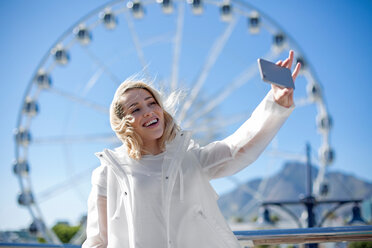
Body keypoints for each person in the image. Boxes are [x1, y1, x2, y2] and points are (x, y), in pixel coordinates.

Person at [82, 50, 301, 248]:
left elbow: (237, 148)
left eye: (152, 103)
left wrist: (275, 103)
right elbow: (98, 241)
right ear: (123, 123)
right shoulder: (108, 172)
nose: (148, 111)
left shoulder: (190, 158)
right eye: (136, 109)